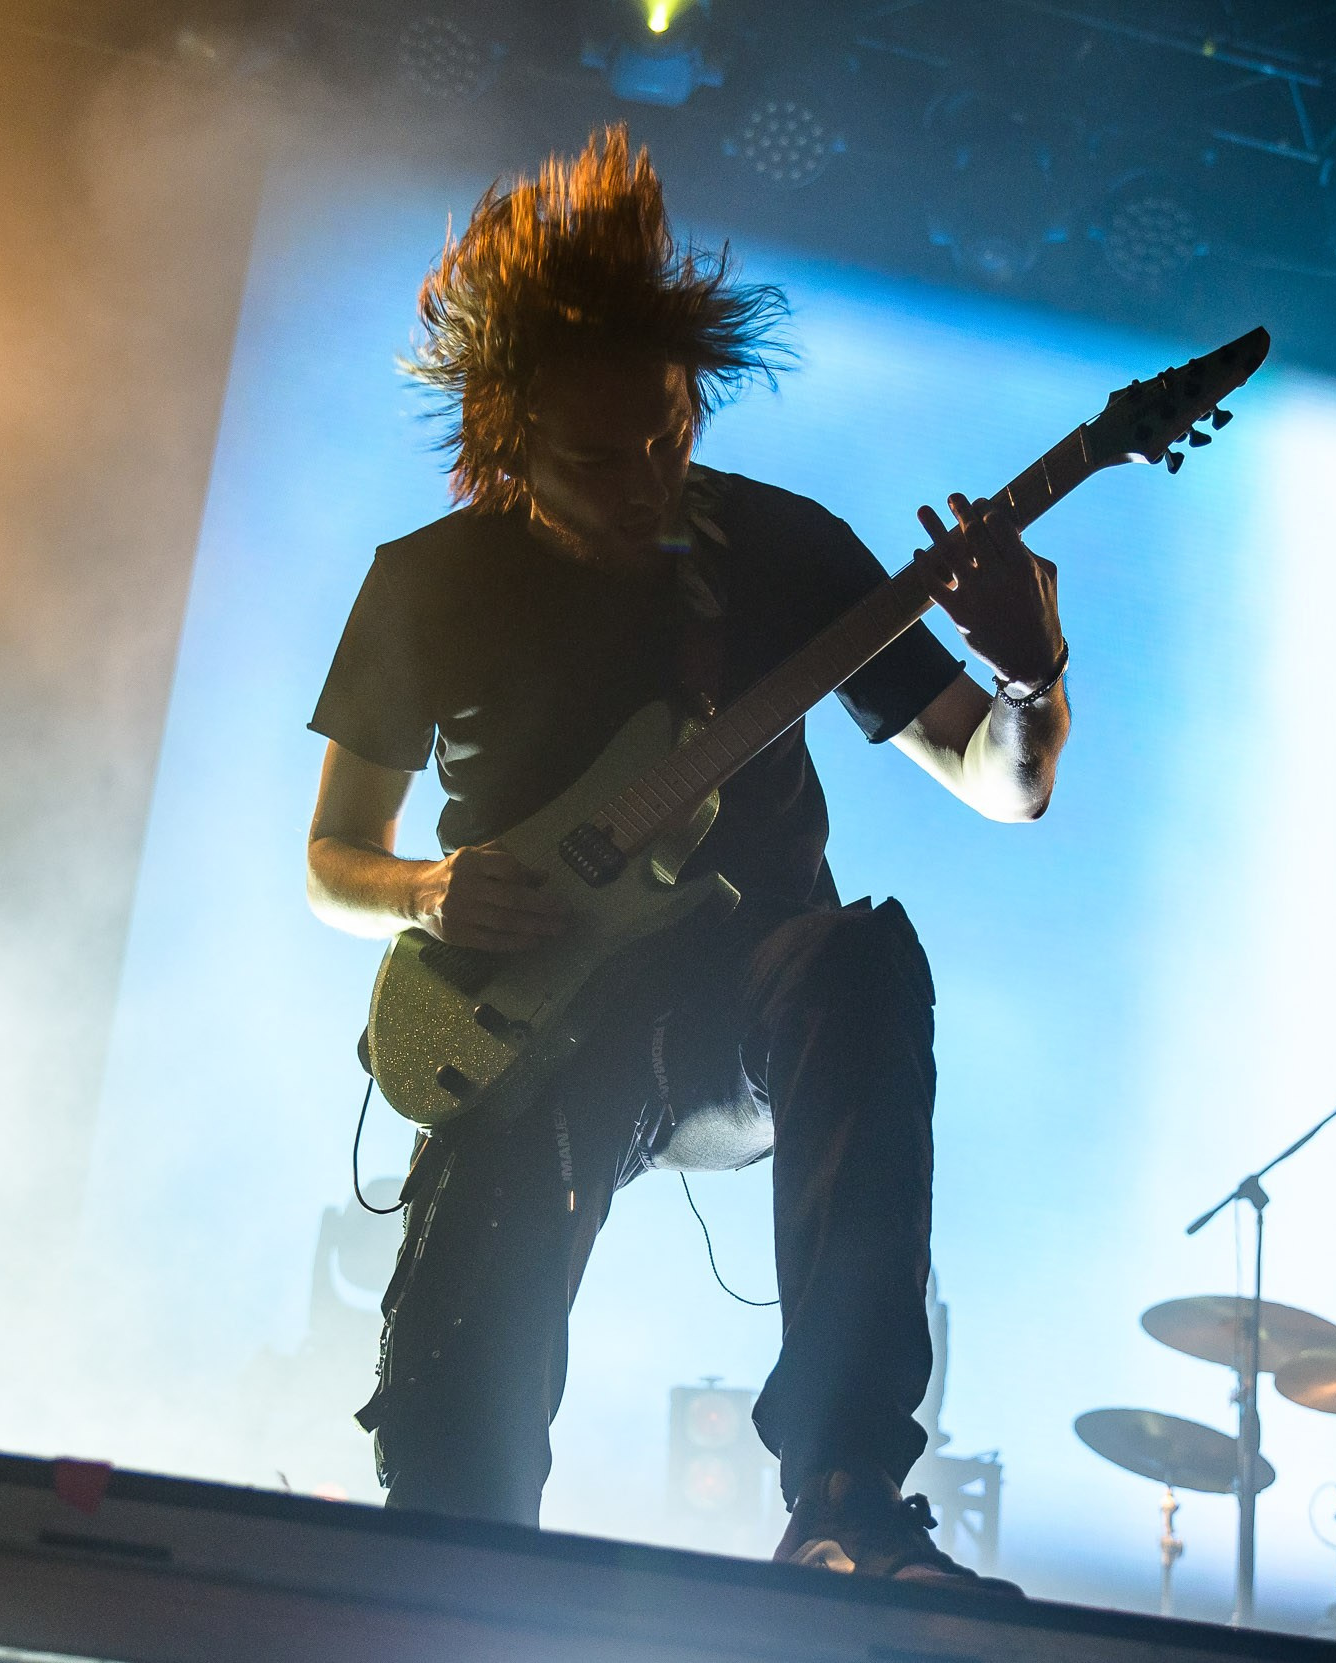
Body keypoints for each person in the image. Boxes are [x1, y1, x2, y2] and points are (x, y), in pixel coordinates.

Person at [301, 127, 1069, 1591]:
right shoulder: (429, 584)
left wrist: (1032, 680)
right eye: (599, 458)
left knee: (864, 958)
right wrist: (427, 891)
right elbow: (335, 857)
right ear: (505, 437)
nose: (650, 477)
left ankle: (846, 1494)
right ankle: (450, 1583)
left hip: (741, 990)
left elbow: (998, 780)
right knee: (457, 1396)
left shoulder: (780, 548)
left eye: (670, 433)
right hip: (532, 1009)